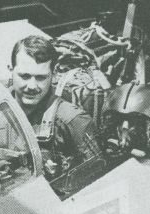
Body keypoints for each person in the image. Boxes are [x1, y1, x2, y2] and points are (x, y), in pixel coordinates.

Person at [10, 35, 101, 178]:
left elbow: (98, 179)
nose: (32, 86)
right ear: (10, 70)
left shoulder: (73, 120)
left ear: (53, 76)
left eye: (41, 77)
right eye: (25, 76)